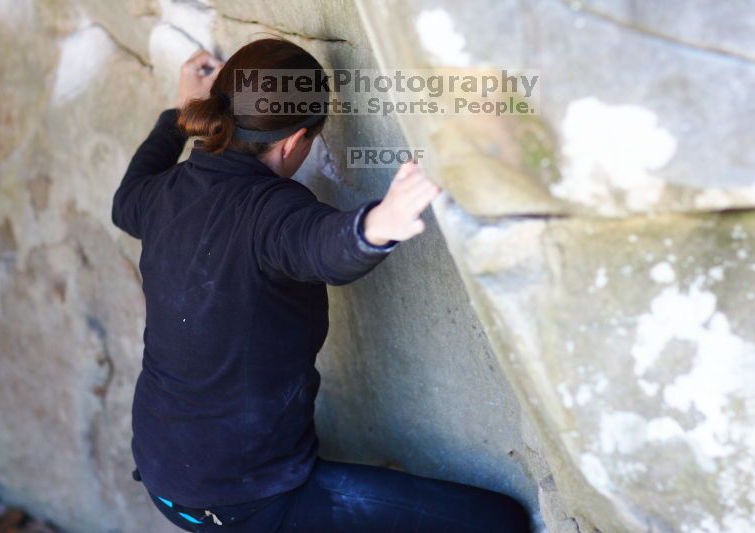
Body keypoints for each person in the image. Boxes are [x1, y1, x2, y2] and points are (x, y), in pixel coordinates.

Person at [112, 38, 533, 532]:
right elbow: (320, 246)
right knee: (499, 522)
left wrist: (178, 114)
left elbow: (124, 202)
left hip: (163, 468)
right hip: (241, 500)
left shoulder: (166, 191)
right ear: (295, 142)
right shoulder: (269, 210)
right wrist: (377, 225)